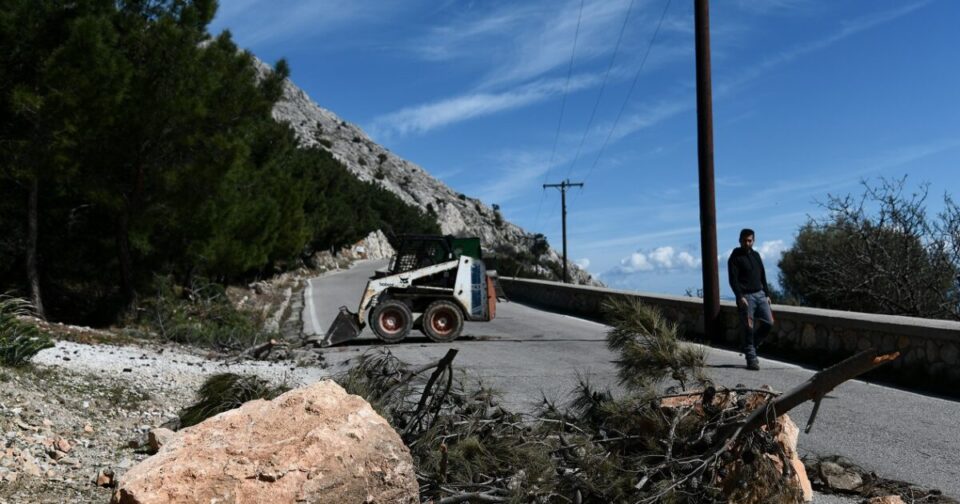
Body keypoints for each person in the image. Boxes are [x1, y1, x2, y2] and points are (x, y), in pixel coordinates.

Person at [727, 228, 774, 371]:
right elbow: (733, 279)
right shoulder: (735, 257)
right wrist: (739, 296)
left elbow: (762, 275)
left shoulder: (756, 255)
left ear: (753, 241)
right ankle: (751, 359)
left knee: (769, 322)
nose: (747, 243)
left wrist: (767, 294)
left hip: (760, 294)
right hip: (746, 297)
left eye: (750, 240)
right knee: (748, 327)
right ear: (740, 240)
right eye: (745, 240)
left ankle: (750, 346)